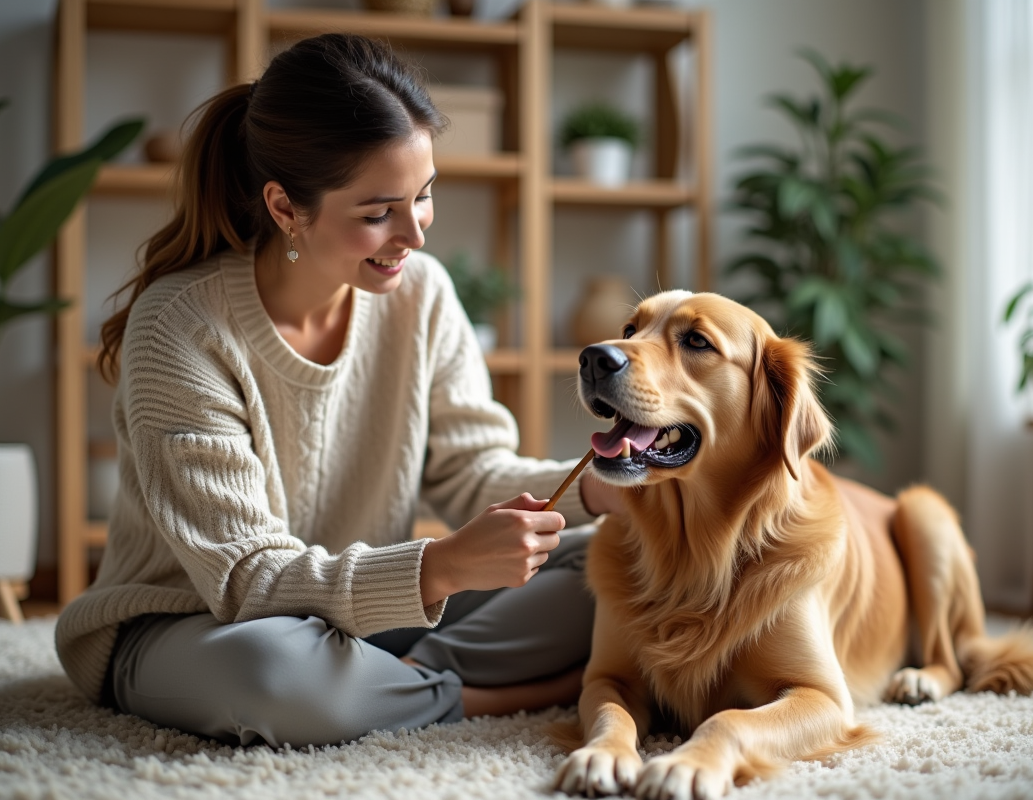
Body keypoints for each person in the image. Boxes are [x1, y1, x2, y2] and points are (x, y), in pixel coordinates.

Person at [54, 32, 621, 749]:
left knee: (614, 559)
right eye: (379, 212)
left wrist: (600, 490)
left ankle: (389, 682)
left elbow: (471, 472)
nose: (413, 233)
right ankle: (472, 694)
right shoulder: (180, 325)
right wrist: (441, 565)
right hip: (191, 622)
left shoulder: (424, 295)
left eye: (425, 195)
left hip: (364, 609)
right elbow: (244, 578)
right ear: (286, 208)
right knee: (273, 672)